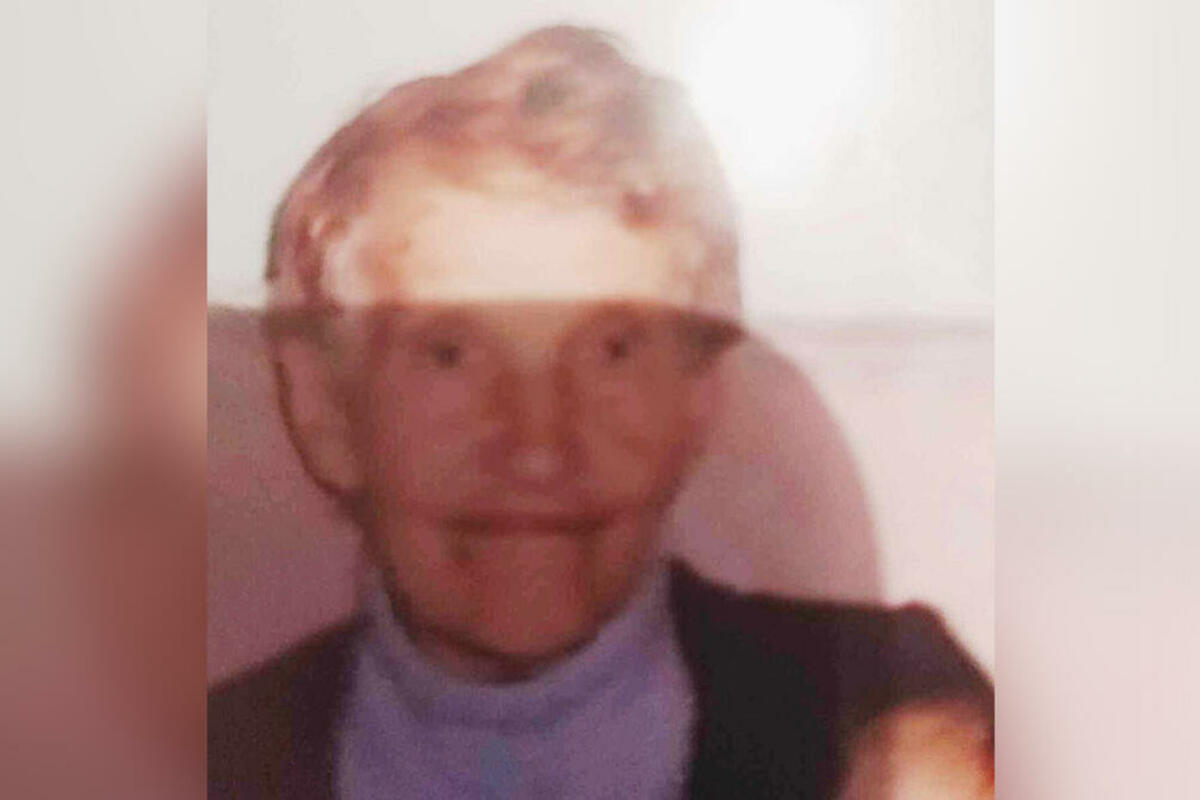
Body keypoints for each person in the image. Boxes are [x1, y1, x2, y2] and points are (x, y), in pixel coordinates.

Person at [209, 26, 992, 800]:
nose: (537, 449)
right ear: (325, 409)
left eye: (612, 350)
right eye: (450, 353)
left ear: (695, 398)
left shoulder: (897, 723)